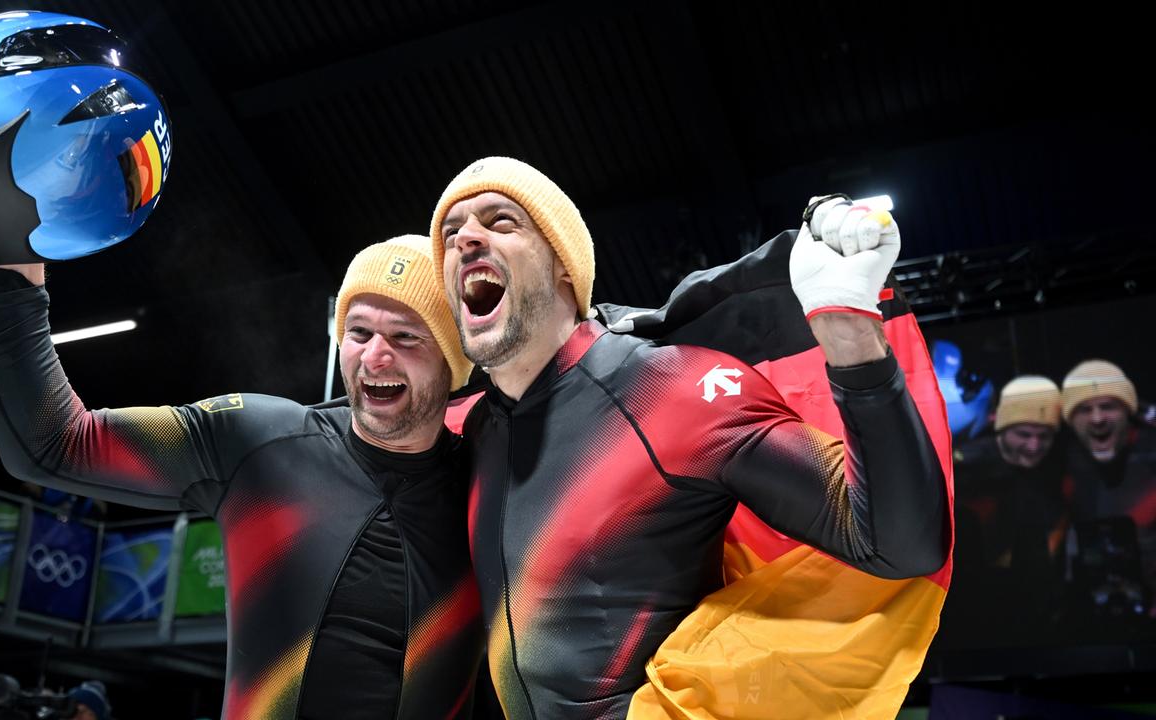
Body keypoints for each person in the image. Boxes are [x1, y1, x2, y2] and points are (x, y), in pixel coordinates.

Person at [429, 157, 950, 719]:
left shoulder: (671, 388)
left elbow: (901, 546)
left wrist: (853, 343)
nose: (466, 240)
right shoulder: (466, 432)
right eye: (451, 233)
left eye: (500, 221)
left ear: (563, 264)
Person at [0, 236, 483, 719]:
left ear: (452, 359)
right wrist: (12, 265)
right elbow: (55, 442)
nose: (375, 356)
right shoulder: (261, 442)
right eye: (359, 332)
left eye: (405, 337)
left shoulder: (492, 474)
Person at [951, 376, 1068, 641]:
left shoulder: (1053, 467)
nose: (1034, 446)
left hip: (1030, 603)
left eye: (1044, 436)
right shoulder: (965, 467)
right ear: (1000, 426)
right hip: (971, 603)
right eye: (1024, 434)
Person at [1060, 359, 1156, 611]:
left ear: (1129, 412)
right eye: (1084, 409)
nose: (1097, 418)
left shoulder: (1150, 451)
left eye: (1108, 406)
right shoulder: (1056, 460)